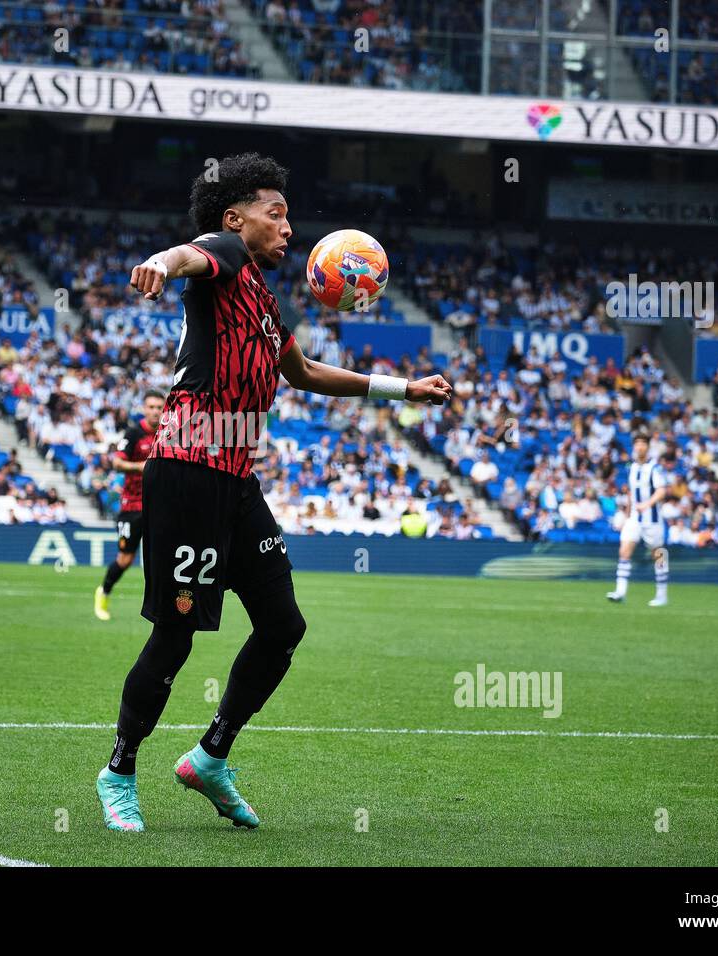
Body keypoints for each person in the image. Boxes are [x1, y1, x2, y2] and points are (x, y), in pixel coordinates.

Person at [95, 153, 452, 832]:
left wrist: (404, 389)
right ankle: (118, 771)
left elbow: (306, 371)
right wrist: (160, 265)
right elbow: (189, 255)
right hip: (187, 472)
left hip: (235, 482)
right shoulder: (224, 253)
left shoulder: (261, 295)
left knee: (284, 625)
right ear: (236, 218)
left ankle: (210, 757)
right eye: (275, 211)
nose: (288, 226)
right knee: (175, 639)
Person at [95, 389, 164, 621]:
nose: (155, 411)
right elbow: (116, 463)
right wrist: (142, 466)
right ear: (144, 409)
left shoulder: (169, 434)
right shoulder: (133, 433)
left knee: (163, 558)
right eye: (151, 407)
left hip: (159, 506)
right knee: (125, 559)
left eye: (159, 407)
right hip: (132, 505)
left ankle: (159, 608)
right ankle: (103, 591)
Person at [606, 434, 669, 607]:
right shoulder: (631, 468)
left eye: (643, 444)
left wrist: (647, 504)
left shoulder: (655, 468)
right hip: (635, 517)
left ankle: (662, 595)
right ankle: (620, 592)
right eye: (637, 444)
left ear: (647, 447)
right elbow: (631, 493)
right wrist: (627, 514)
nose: (640, 447)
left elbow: (662, 490)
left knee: (659, 554)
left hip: (653, 519)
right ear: (634, 447)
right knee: (624, 550)